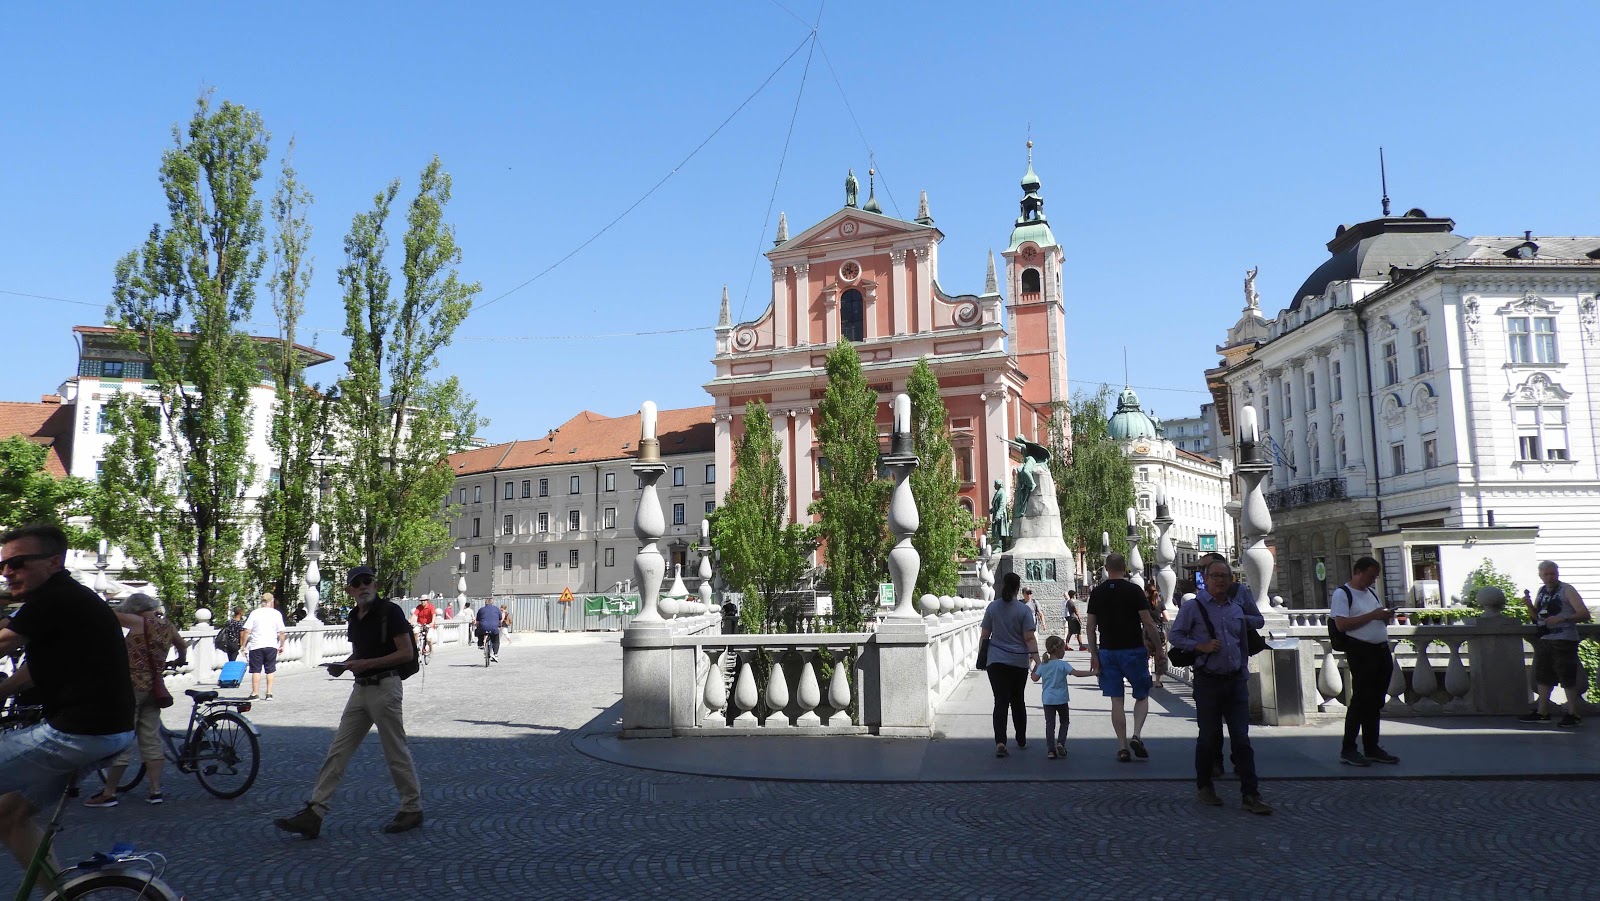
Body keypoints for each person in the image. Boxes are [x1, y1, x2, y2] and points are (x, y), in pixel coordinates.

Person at [0, 524, 135, 866]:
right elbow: (31, 673)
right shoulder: (68, 599)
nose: (7, 572)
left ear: (54, 562)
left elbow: (4, 640)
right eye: (2, 565)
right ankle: (57, 893)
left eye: (18, 563)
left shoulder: (54, 597)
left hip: (79, 732)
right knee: (10, 816)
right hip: (107, 732)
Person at [274, 565, 423, 839]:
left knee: (395, 751)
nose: (363, 586)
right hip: (361, 689)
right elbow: (360, 653)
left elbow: (405, 653)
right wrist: (345, 665)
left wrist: (366, 663)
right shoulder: (355, 616)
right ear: (349, 590)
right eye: (357, 584)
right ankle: (315, 812)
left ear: (375, 585)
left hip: (386, 687)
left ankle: (411, 808)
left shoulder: (391, 612)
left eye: (367, 581)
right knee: (338, 750)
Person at [1169, 559, 1272, 814]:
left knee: (1242, 739)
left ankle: (1251, 794)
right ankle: (1204, 785)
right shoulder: (1194, 607)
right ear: (1206, 578)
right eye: (1215, 576)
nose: (1221, 580)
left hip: (1235, 680)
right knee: (1208, 737)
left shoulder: (1236, 608)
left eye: (1225, 576)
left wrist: (1244, 669)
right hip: (1208, 680)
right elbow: (1175, 636)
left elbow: (1243, 643)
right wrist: (1199, 646)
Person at [84, 593, 186, 808]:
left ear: (134, 609)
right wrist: (180, 660)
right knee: (151, 739)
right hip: (155, 688)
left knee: (124, 738)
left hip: (131, 687)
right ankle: (155, 791)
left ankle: (109, 792)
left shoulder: (135, 620)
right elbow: (182, 645)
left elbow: (104, 614)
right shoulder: (167, 624)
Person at [1086, 553, 1165, 763]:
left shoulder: (1097, 593)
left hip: (1108, 651)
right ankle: (1137, 734)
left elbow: (1091, 627)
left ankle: (1122, 747)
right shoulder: (1134, 590)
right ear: (1125, 568)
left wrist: (1094, 654)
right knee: (1141, 695)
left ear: (1105, 568)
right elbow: (1148, 622)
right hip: (1133, 650)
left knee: (1116, 700)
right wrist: (1158, 648)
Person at [1330, 556, 1399, 767]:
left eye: (1375, 577)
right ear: (1358, 571)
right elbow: (1341, 624)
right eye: (1370, 576)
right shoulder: (1343, 594)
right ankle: (1348, 748)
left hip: (1380, 650)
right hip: (1361, 651)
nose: (1372, 580)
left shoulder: (1371, 592)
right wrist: (1373, 616)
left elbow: (1374, 616)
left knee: (1375, 700)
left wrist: (1384, 617)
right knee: (1360, 700)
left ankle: (1371, 746)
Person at [1520, 561, 1592, 727]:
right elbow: (1537, 617)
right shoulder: (1542, 591)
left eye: (1553, 573)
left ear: (1557, 574)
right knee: (1543, 677)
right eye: (1546, 574)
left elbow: (1584, 614)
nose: (1550, 577)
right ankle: (1542, 712)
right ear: (1541, 576)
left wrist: (1563, 618)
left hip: (1564, 638)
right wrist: (1529, 606)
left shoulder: (1567, 589)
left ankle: (1573, 713)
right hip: (1545, 638)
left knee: (1567, 677)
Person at [980, 572, 1039, 757]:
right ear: (1017, 588)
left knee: (1000, 701)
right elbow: (1029, 638)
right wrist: (1038, 661)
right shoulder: (1024, 610)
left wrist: (983, 657)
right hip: (1018, 661)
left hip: (996, 661)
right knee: (1018, 701)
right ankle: (1021, 740)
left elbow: (984, 635)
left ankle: (1000, 743)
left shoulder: (993, 607)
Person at [1029, 635, 1092, 759]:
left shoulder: (1043, 665)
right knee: (1064, 722)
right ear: (1058, 650)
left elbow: (1034, 678)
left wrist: (1034, 668)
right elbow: (1076, 674)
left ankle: (1051, 750)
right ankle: (1060, 743)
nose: (1064, 652)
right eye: (1063, 649)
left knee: (1050, 725)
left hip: (1047, 700)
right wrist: (1092, 673)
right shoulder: (1063, 664)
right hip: (1062, 699)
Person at [241, 592, 287, 701]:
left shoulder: (255, 613)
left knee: (256, 670)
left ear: (262, 602)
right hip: (271, 644)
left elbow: (247, 631)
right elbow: (281, 632)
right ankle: (269, 693)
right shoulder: (276, 614)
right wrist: (281, 645)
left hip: (256, 644)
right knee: (270, 670)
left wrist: (243, 645)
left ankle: (255, 693)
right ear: (272, 601)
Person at [1146, 582, 1169, 688]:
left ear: (1146, 592)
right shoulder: (1160, 604)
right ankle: (1158, 681)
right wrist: (1160, 620)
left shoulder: (1144, 604)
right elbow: (1167, 618)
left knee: (1148, 655)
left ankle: (1148, 675)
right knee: (1159, 657)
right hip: (1159, 632)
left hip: (1147, 632)